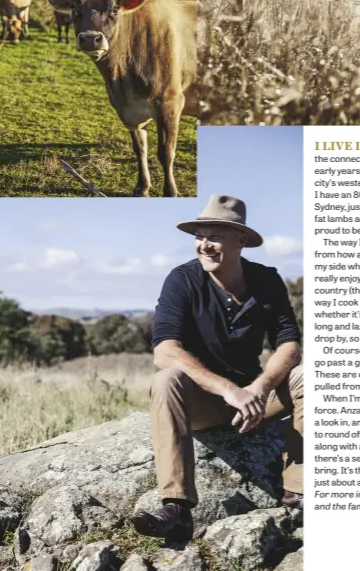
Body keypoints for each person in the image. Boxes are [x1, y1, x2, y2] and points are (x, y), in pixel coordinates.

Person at [132, 194, 303, 545]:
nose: (204, 245)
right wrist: (228, 389)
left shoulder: (267, 281)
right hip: (204, 403)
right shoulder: (182, 281)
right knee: (166, 379)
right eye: (199, 236)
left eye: (214, 237)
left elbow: (289, 345)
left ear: (241, 240)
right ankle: (177, 508)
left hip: (255, 403)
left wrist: (260, 387)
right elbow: (165, 350)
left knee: (311, 379)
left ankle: (298, 492)